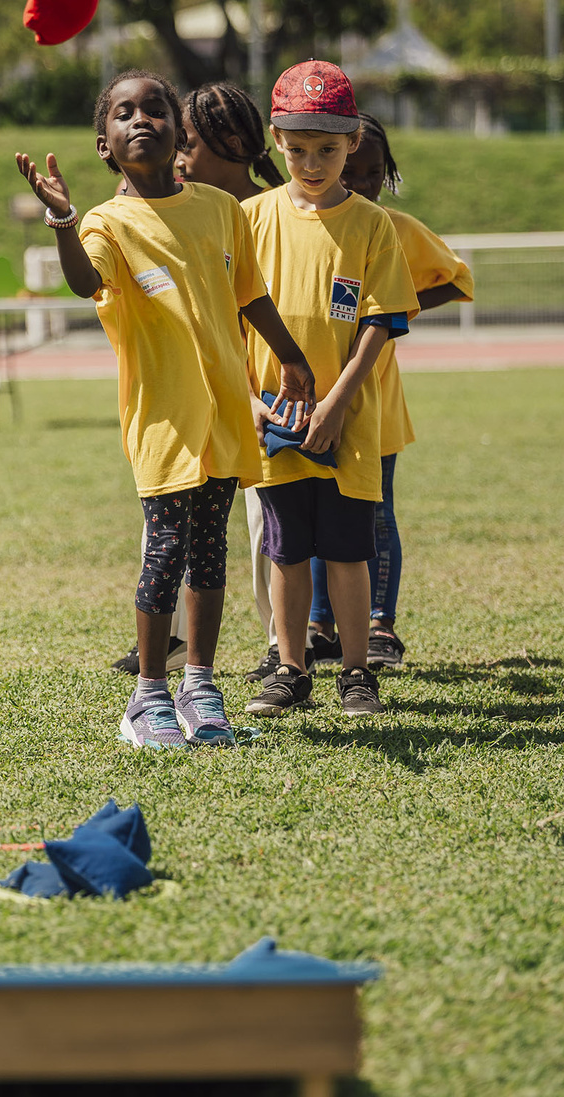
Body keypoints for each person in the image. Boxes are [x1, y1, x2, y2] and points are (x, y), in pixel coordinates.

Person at [16, 68, 316, 749]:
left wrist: (290, 356)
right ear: (105, 145)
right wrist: (62, 217)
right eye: (124, 114)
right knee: (166, 549)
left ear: (180, 133)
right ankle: (147, 693)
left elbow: (250, 295)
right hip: (162, 419)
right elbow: (84, 281)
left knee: (210, 552)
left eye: (156, 108)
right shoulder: (107, 221)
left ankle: (200, 685)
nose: (142, 119)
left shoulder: (219, 209)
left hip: (223, 410)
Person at [242, 60, 418, 719]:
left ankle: (354, 673)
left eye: (326, 149)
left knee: (347, 548)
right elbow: (227, 320)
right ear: (276, 142)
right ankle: (290, 669)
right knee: (285, 547)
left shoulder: (371, 223)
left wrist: (338, 402)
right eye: (297, 149)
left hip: (348, 416)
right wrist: (253, 400)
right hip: (275, 415)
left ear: (351, 143)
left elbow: (380, 321)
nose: (311, 163)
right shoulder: (251, 218)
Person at [109, 80, 288, 678]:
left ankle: (277, 646)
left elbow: (257, 299)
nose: (180, 151)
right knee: (166, 535)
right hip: (181, 402)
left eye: (188, 135)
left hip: (253, 395)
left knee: (257, 527)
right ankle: (164, 666)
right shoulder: (131, 213)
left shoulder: (252, 211)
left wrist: (277, 375)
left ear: (231, 142)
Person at [305, 113, 474, 670]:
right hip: (312, 395)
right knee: (313, 513)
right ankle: (319, 625)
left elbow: (457, 278)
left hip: (374, 399)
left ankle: (381, 627)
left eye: (377, 173)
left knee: (376, 514)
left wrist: (395, 309)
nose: (366, 183)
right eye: (354, 171)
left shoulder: (394, 227)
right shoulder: (309, 221)